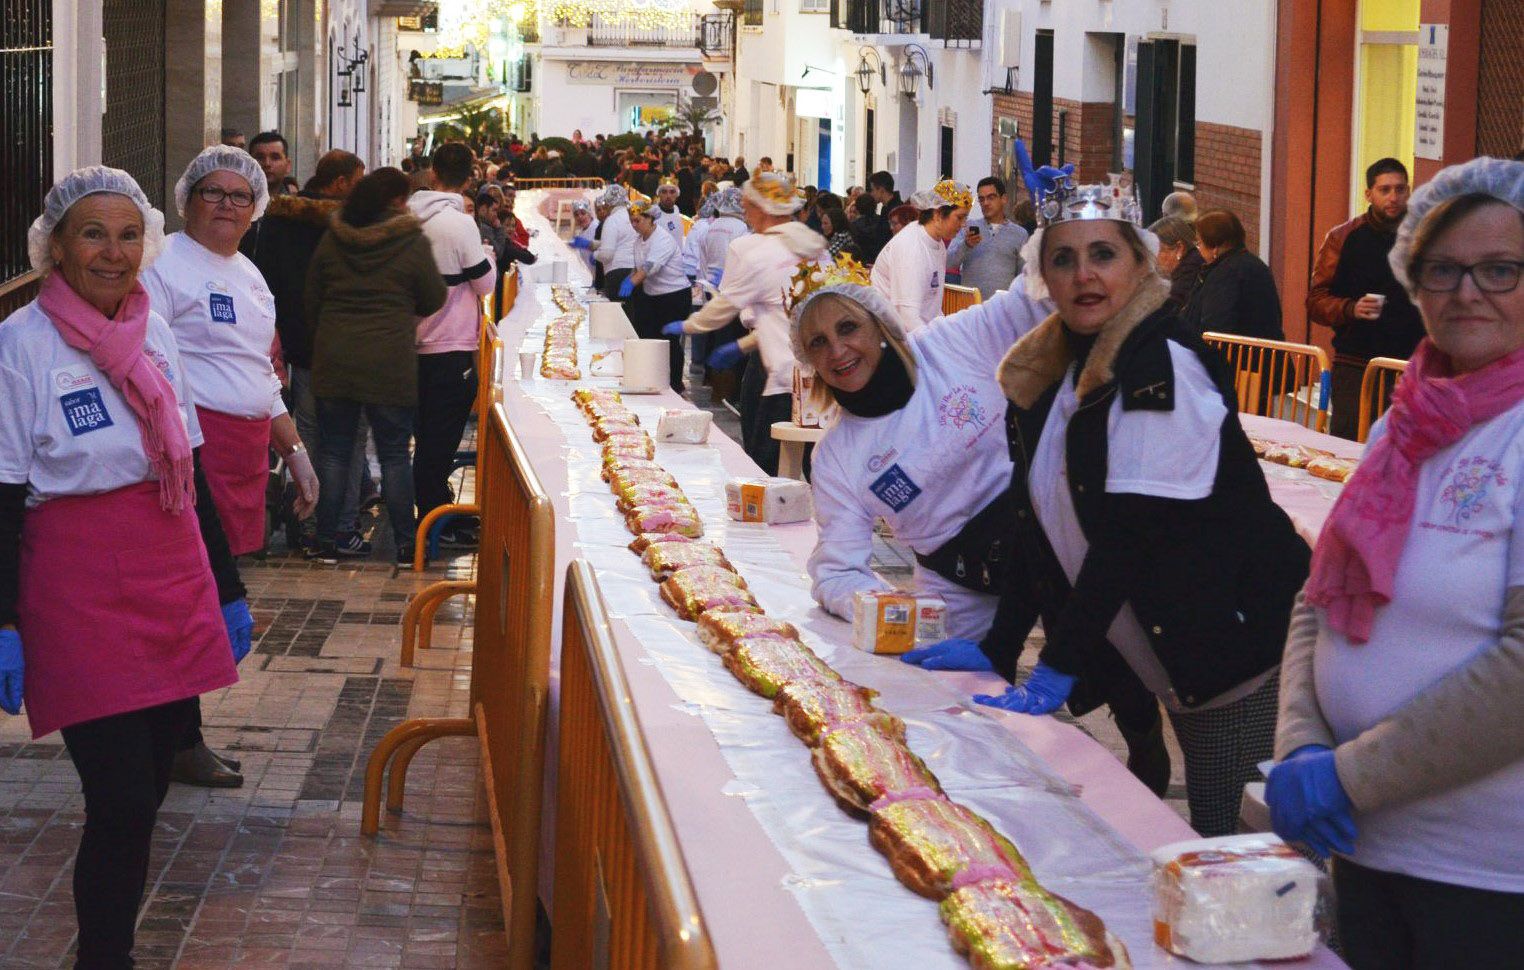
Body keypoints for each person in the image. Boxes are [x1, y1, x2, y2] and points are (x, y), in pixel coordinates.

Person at [907, 179, 1310, 837]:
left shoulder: (1161, 368)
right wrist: (1001, 646)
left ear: (1141, 264)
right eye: (1063, 258)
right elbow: (1036, 527)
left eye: (1103, 254)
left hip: (1239, 654)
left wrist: (1061, 659)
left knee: (1228, 847)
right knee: (1205, 857)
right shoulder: (1054, 372)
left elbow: (1131, 536)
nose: (1084, 274)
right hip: (1172, 654)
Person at [1267, 157, 1524, 967]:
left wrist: (1348, 777)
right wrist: (1301, 741)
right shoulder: (1404, 423)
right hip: (1368, 854)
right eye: (1442, 268)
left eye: (1501, 269)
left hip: (1488, 880)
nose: (1467, 291)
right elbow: (1320, 595)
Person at [0, 166, 247, 966]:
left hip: (169, 570)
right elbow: (1, 492)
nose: (113, 252)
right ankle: (106, 958)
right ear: (57, 247)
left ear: (147, 243)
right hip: (75, 583)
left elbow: (195, 468)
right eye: (93, 234)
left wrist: (228, 591)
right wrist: (4, 619)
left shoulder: (155, 329)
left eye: (129, 234)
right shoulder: (19, 345)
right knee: (122, 796)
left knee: (143, 799)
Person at [141, 146, 318, 788]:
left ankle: (179, 734)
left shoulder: (249, 274)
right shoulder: (162, 266)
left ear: (255, 210)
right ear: (187, 199)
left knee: (210, 593)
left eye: (239, 196)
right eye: (212, 192)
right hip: (191, 449)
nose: (225, 205)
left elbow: (258, 371)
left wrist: (293, 451)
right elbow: (148, 363)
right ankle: (175, 738)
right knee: (191, 596)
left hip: (245, 449)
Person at [305, 168, 446, 564]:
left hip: (336, 359)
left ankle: (327, 541)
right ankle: (404, 545)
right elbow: (434, 296)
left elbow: (312, 296)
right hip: (390, 361)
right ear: (398, 201)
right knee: (395, 454)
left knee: (335, 453)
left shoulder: (334, 237)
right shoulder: (410, 241)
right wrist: (401, 310)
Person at [246, 149, 370, 556]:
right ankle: (339, 529)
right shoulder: (352, 227)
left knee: (308, 437)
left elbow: (263, 283)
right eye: (357, 181)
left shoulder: (278, 222)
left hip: (297, 347)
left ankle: (309, 524)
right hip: (346, 348)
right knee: (346, 442)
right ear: (338, 184)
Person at [663, 173, 827, 474]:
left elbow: (726, 305)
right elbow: (787, 317)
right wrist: (742, 344)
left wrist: (688, 326)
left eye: (748, 205)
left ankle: (768, 514)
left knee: (763, 457)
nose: (745, 211)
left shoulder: (761, 252)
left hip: (778, 374)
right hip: (818, 374)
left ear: (763, 209)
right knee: (815, 460)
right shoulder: (816, 247)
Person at [408, 143, 496, 548]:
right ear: (470, 176)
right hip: (450, 345)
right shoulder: (459, 224)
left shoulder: (408, 216)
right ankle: (434, 521)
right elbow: (484, 283)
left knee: (423, 435)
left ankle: (429, 516)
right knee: (440, 441)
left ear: (432, 173)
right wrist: (489, 259)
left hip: (410, 344)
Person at [1308, 157, 1426, 440]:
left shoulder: (1426, 236)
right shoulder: (1344, 238)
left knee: (1409, 449)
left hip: (1412, 364)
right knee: (1350, 445)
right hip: (1357, 363)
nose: (1393, 197)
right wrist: (1350, 308)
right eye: (1384, 190)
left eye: (1400, 189)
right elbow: (1316, 300)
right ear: (1368, 194)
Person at [871, 181, 972, 331]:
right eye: (959, 217)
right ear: (938, 215)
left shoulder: (938, 245)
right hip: (892, 335)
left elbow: (932, 305)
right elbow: (907, 316)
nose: (963, 224)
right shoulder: (910, 246)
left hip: (917, 331)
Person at [1181, 209, 1283, 339]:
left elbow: (1216, 325)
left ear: (1215, 248)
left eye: (1199, 243)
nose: (1198, 248)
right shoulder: (1254, 265)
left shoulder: (1225, 275)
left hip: (1240, 357)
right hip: (1264, 354)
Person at [627, 199, 692, 393]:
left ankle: (674, 384)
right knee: (650, 337)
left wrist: (629, 284)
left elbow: (650, 267)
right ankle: (654, 379)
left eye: (638, 220)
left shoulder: (662, 239)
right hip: (653, 294)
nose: (634, 225)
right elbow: (637, 268)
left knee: (669, 340)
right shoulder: (638, 242)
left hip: (674, 295)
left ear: (650, 218)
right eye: (632, 221)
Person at [946, 176, 1029, 299]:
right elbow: (948, 263)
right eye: (981, 199)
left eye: (991, 197)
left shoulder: (1019, 234)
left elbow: (1024, 276)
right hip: (971, 309)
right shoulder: (967, 228)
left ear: (1004, 199)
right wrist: (966, 245)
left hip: (1003, 309)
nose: (985, 203)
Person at [1149, 216, 1204, 309]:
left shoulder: (1190, 271)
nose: (1152, 259)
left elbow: (1168, 309)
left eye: (1155, 250)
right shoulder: (1191, 263)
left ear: (1179, 248)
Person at [592, 184, 637, 301]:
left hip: (618, 274)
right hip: (637, 273)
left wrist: (595, 254)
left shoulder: (612, 221)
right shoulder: (636, 218)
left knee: (619, 316)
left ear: (608, 203)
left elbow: (607, 255)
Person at [861, 171, 903, 262]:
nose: (871, 194)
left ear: (881, 190)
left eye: (872, 190)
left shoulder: (897, 210)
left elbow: (888, 238)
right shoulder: (884, 208)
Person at [654, 179, 686, 249]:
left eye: (672, 192)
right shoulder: (653, 215)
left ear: (677, 194)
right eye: (664, 192)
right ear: (658, 194)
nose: (668, 196)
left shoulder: (676, 209)